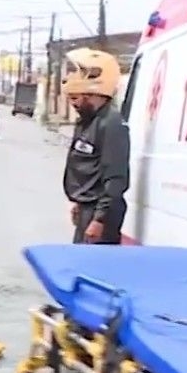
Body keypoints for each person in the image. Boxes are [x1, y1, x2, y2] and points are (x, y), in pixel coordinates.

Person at [61, 48, 130, 244]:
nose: (73, 104)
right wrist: (78, 201)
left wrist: (100, 219)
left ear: (93, 93)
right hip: (87, 209)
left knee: (93, 262)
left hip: (101, 215)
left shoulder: (111, 124)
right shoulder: (87, 121)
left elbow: (115, 179)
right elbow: (87, 168)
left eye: (76, 98)